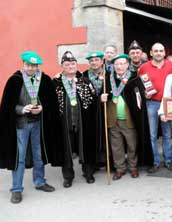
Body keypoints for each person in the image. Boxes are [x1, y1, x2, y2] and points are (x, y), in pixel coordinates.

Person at [0, 51, 63, 203]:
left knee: (38, 154)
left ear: (37, 66)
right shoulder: (15, 80)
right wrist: (22, 109)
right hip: (21, 124)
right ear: (23, 64)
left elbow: (51, 102)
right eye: (28, 65)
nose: (30, 68)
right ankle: (16, 189)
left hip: (39, 125)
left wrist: (42, 108)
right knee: (19, 157)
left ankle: (40, 182)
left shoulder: (45, 80)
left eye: (34, 65)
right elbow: (7, 107)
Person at [100, 54, 153, 180]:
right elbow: (101, 95)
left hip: (129, 119)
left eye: (122, 64)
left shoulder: (134, 78)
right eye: (116, 64)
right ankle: (120, 168)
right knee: (116, 146)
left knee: (131, 145)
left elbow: (141, 97)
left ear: (127, 65)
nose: (119, 66)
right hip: (113, 119)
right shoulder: (108, 79)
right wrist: (101, 98)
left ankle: (133, 167)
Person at [53, 51, 97, 188]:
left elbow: (93, 100)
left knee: (86, 147)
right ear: (62, 66)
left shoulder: (85, 81)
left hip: (83, 122)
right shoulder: (56, 83)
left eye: (73, 63)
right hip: (64, 123)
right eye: (67, 64)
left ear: (76, 65)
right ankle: (68, 177)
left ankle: (88, 173)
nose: (71, 66)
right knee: (66, 149)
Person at [138, 43, 172, 173]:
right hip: (151, 103)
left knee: (167, 134)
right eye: (156, 51)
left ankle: (168, 160)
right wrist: (144, 93)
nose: (158, 53)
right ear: (151, 53)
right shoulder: (144, 67)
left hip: (167, 103)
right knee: (152, 135)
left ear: (164, 52)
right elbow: (140, 86)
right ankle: (155, 161)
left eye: (161, 51)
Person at [82, 52, 109, 171]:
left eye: (96, 60)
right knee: (93, 136)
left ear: (102, 61)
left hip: (106, 109)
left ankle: (107, 161)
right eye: (91, 61)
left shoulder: (108, 74)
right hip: (91, 111)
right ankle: (93, 163)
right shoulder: (84, 75)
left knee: (106, 135)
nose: (94, 62)